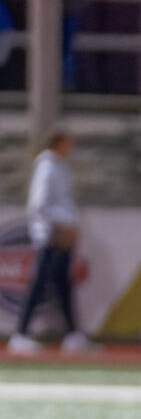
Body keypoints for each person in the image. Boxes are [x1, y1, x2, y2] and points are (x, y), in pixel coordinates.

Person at [8, 128, 97, 355]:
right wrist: (58, 228)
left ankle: (73, 335)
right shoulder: (47, 167)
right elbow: (38, 204)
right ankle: (20, 335)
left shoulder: (60, 167)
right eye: (68, 144)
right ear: (58, 144)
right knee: (39, 286)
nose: (71, 149)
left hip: (59, 238)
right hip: (50, 239)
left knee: (63, 286)